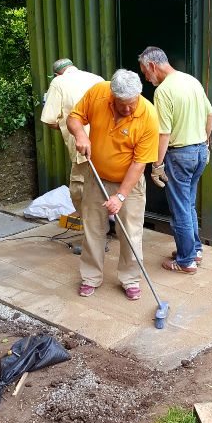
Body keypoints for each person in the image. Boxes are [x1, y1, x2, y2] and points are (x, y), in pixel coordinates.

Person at [67, 69, 159, 300]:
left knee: (130, 232)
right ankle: (90, 277)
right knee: (93, 228)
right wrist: (80, 134)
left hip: (130, 183)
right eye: (122, 104)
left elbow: (140, 163)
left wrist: (120, 196)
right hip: (96, 177)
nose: (128, 109)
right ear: (112, 95)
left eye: (132, 103)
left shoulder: (148, 115)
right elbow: (73, 118)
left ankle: (130, 279)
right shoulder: (98, 93)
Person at [138, 46, 212, 274]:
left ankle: (185, 261)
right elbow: (210, 115)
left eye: (144, 72)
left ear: (152, 66)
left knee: (180, 208)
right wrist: (205, 142)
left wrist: (157, 165)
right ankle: (194, 250)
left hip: (179, 155)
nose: (146, 77)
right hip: (200, 151)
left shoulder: (163, 91)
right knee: (188, 204)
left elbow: (164, 133)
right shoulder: (191, 81)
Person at [40, 58, 103, 213]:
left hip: (82, 145)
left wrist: (65, 127)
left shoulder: (58, 82)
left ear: (56, 74)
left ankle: (93, 227)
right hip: (106, 141)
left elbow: (49, 119)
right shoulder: (97, 78)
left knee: (80, 188)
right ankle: (108, 222)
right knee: (105, 183)